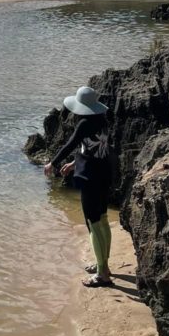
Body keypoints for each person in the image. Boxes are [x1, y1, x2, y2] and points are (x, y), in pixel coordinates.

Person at [44, 86, 113, 287]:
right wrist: (74, 164)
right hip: (103, 173)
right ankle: (104, 265)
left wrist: (53, 163)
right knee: (103, 219)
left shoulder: (84, 123)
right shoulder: (103, 120)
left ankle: (102, 275)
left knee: (93, 223)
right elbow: (96, 147)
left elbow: (70, 144)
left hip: (90, 177)